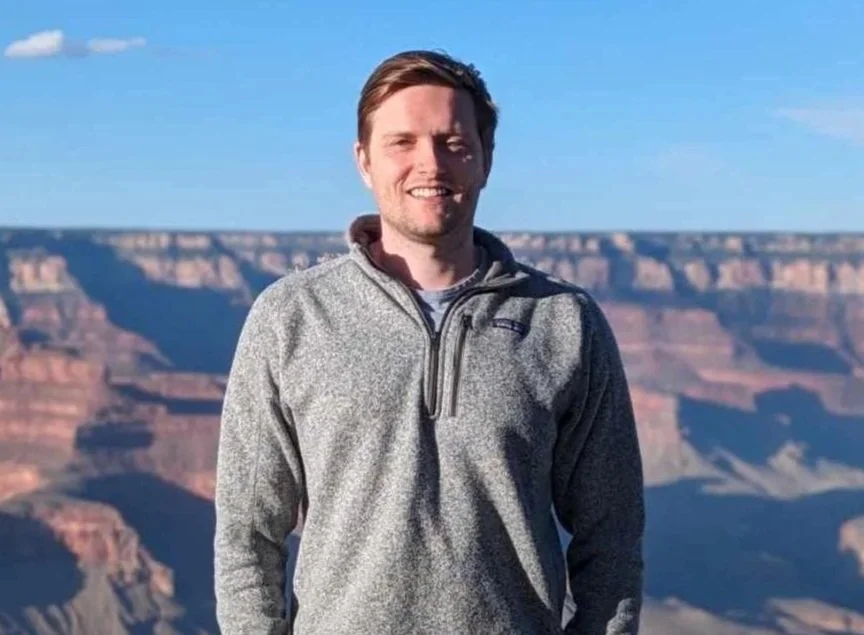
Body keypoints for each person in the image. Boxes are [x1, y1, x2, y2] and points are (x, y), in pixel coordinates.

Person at [214, 49, 645, 634]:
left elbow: (612, 535)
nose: (430, 165)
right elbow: (247, 534)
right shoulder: (291, 318)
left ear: (485, 161)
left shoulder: (564, 322)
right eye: (403, 142)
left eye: (453, 143)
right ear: (363, 160)